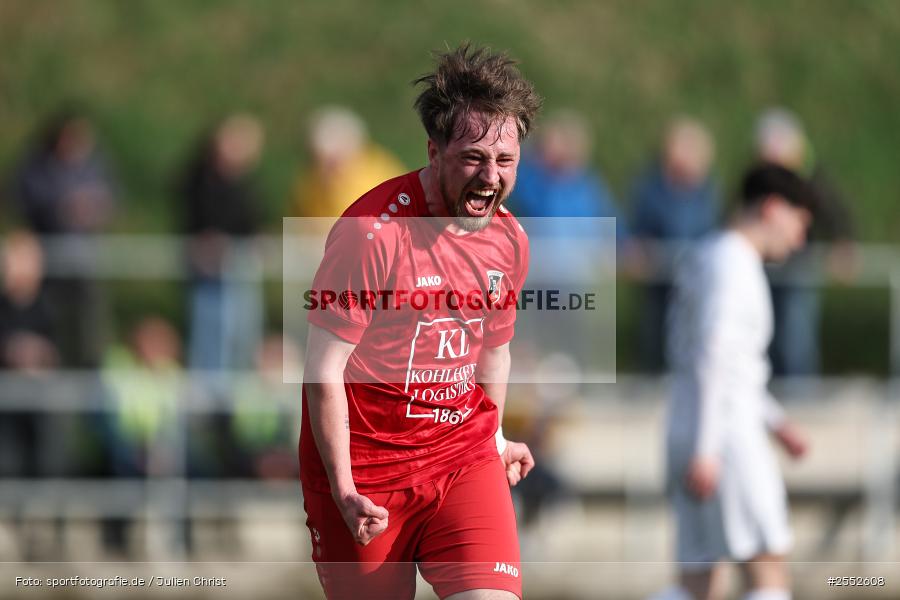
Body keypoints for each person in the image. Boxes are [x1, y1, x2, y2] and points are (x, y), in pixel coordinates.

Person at [298, 44, 540, 600]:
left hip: (461, 457)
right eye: (473, 158)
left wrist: (497, 437)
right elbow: (323, 370)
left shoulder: (509, 240)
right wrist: (342, 487)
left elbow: (492, 352)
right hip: (367, 473)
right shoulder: (371, 234)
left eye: (505, 161)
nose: (490, 176)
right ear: (434, 151)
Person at [655, 164, 813, 600]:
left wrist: (777, 422)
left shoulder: (707, 253)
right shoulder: (734, 263)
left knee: (698, 581)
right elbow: (715, 356)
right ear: (773, 208)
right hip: (725, 438)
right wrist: (709, 448)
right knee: (768, 566)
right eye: (800, 223)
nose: (799, 239)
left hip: (689, 427)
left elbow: (725, 362)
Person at [754, 108, 855, 376]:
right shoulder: (760, 178)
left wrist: (842, 242)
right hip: (765, 265)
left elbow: (833, 211)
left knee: (795, 335)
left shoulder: (809, 177)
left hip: (798, 265)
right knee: (763, 333)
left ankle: (799, 394)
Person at [177, 114, 265, 374]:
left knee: (243, 334)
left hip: (238, 267)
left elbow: (252, 220)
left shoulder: (245, 184)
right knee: (209, 337)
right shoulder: (199, 179)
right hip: (209, 271)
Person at [630, 117, 720, 372]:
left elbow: (711, 228)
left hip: (695, 281)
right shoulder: (650, 187)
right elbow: (637, 227)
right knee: (654, 337)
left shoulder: (708, 191)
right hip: (658, 281)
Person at [291, 106, 406, 220]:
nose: (324, 170)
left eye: (333, 162)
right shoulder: (307, 184)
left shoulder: (381, 181)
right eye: (317, 161)